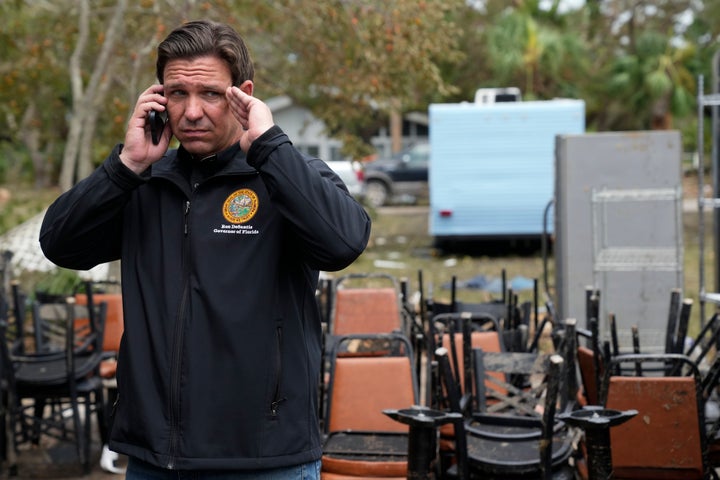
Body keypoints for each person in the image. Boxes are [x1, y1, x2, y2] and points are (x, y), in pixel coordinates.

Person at [40, 19, 371, 479]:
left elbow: (344, 244)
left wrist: (272, 149)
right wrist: (128, 164)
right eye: (178, 93)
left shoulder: (288, 176)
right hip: (157, 459)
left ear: (243, 94)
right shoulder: (141, 182)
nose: (192, 112)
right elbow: (58, 243)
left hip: (266, 458)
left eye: (210, 94)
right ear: (159, 97)